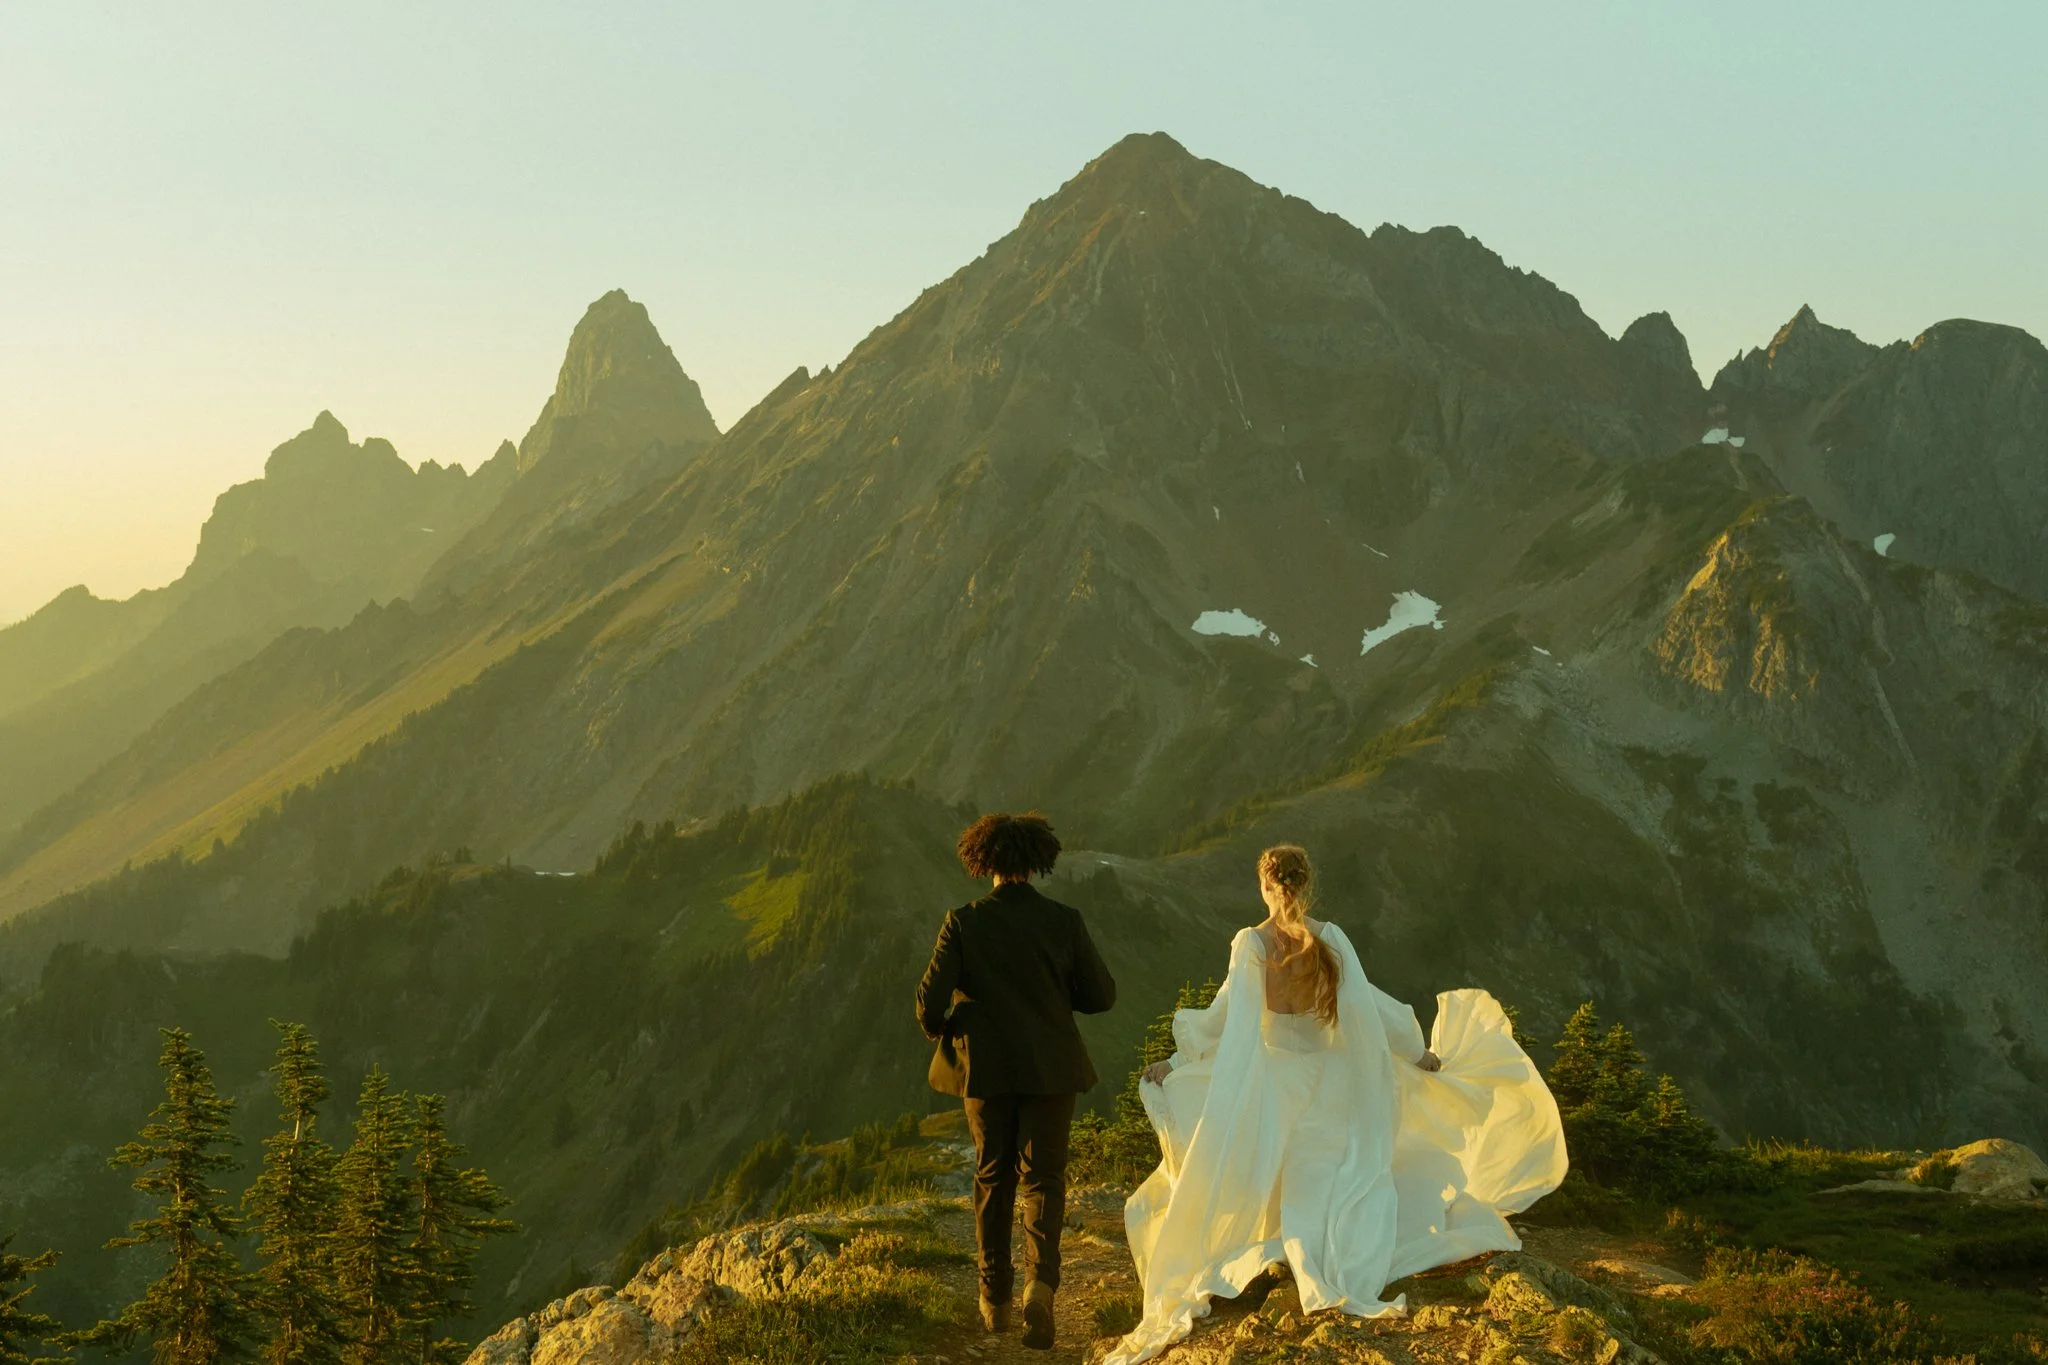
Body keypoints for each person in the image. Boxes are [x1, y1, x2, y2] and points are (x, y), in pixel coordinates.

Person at [1105, 844, 1567, 1365]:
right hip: (1331, 1079)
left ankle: (1289, 1245)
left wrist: (1177, 1060)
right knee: (1324, 1171)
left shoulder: (1251, 944)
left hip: (1276, 1080)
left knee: (1279, 1159)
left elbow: (1226, 1015)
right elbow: (1366, 1004)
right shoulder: (1330, 940)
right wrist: (1418, 1053)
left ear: (1264, 885)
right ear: (1305, 885)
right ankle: (1321, 1248)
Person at [916, 811, 1117, 1351]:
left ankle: (995, 1299)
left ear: (984, 863)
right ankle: (1040, 1287)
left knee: (992, 1175)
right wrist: (1055, 996)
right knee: (1043, 1178)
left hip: (986, 1069)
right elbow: (1100, 996)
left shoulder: (963, 922)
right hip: (1052, 1067)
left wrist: (956, 1026)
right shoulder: (1065, 921)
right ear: (1036, 860)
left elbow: (928, 1007)